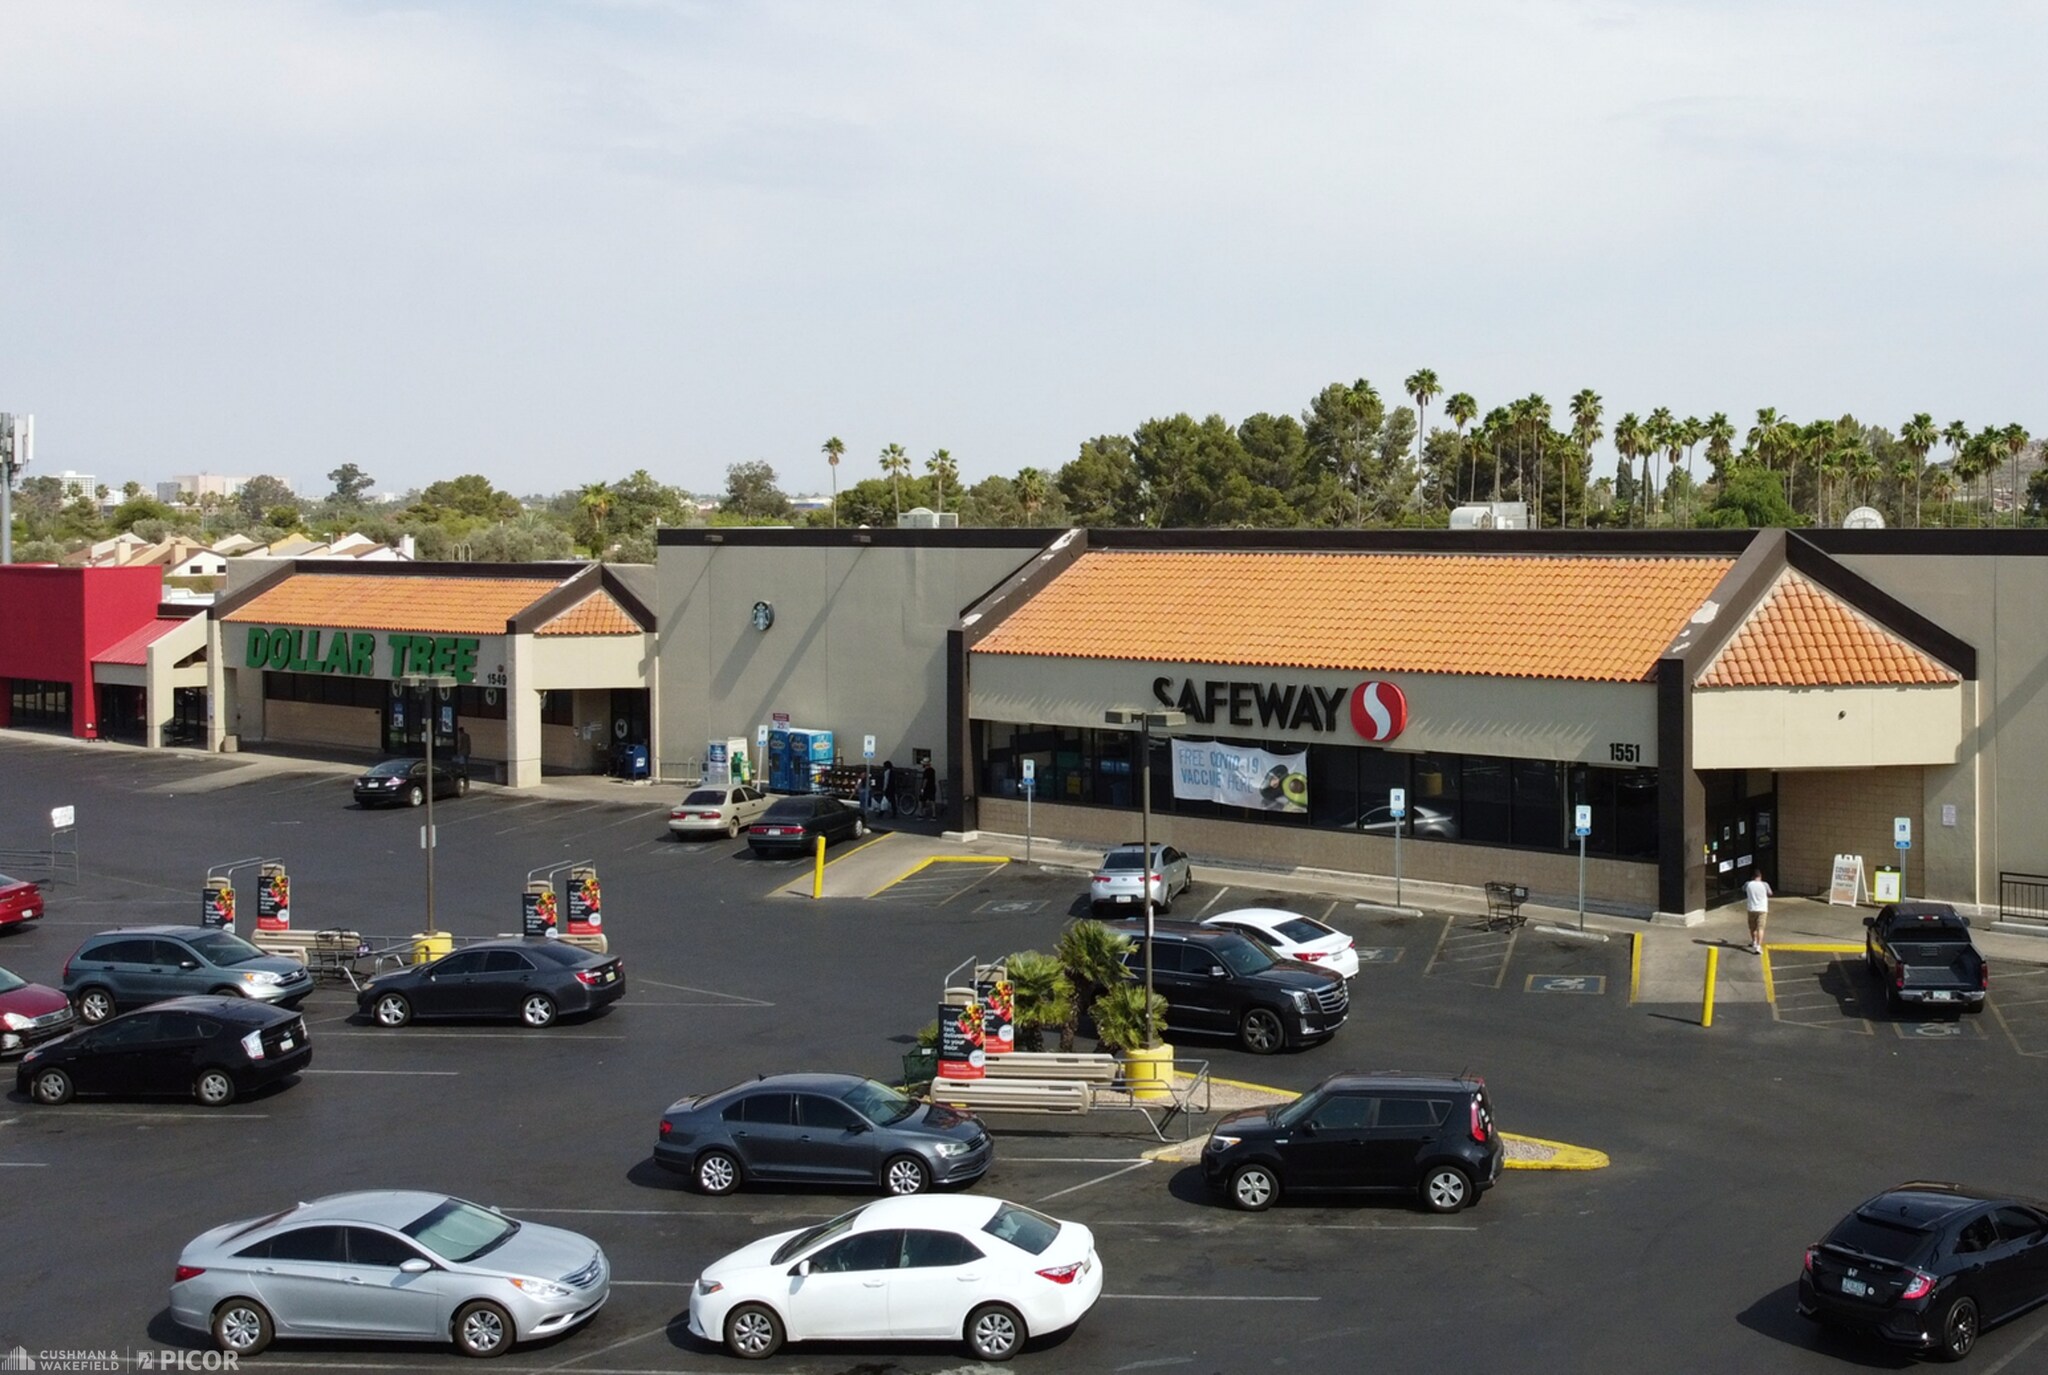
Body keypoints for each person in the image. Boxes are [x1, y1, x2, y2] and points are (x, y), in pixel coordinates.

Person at [1743, 868, 1772, 953]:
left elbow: (1743, 889)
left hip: (1751, 908)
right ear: (1760, 876)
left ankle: (1754, 942)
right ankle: (1758, 946)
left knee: (1752, 927)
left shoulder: (1748, 884)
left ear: (1752, 877)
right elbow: (1770, 893)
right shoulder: (1765, 884)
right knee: (1760, 928)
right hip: (1762, 909)